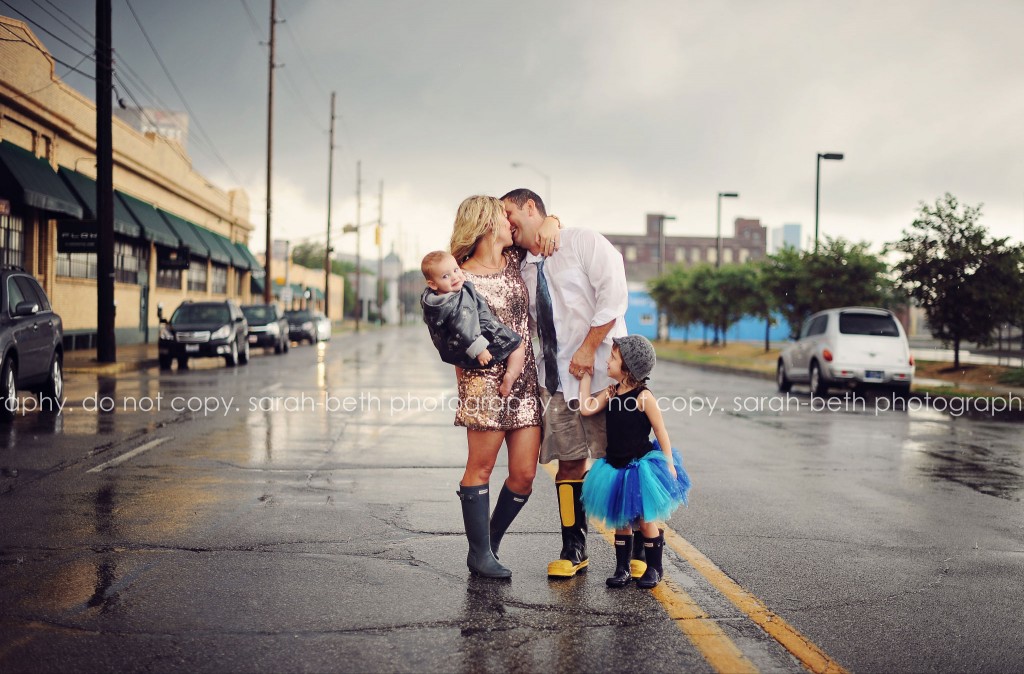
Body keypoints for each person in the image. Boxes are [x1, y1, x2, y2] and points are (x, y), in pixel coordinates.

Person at [501, 188, 630, 578]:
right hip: (558, 380)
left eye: (510, 213)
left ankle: (638, 549)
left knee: (625, 459)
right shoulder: (519, 265)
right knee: (569, 464)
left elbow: (614, 294)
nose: (506, 222)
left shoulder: (581, 242)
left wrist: (590, 348)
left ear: (530, 208)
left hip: (607, 375)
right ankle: (574, 548)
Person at [446, 195, 560, 579]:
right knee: (480, 468)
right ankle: (479, 554)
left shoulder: (515, 261)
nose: (510, 221)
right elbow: (454, 336)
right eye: (502, 215)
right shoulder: (460, 277)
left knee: (524, 475)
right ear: (485, 223)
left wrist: (553, 220)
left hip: (525, 382)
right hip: (484, 385)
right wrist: (467, 383)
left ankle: (488, 544)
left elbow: (543, 228)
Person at [578, 335, 691, 589]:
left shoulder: (644, 397)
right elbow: (586, 408)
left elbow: (661, 432)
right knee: (620, 521)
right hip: (615, 467)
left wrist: (669, 463)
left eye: (613, 358)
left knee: (645, 520)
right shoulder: (611, 392)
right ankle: (622, 568)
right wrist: (585, 377)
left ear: (627, 366)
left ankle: (654, 567)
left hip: (640, 467)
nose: (608, 361)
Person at [420, 250, 526, 397]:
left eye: (456, 270)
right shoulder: (457, 301)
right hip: (478, 338)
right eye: (446, 276)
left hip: (457, 350)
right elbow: (464, 326)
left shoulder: (434, 303)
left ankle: (464, 386)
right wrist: (480, 349)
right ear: (433, 284)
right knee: (518, 346)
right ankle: (510, 377)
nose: (455, 277)